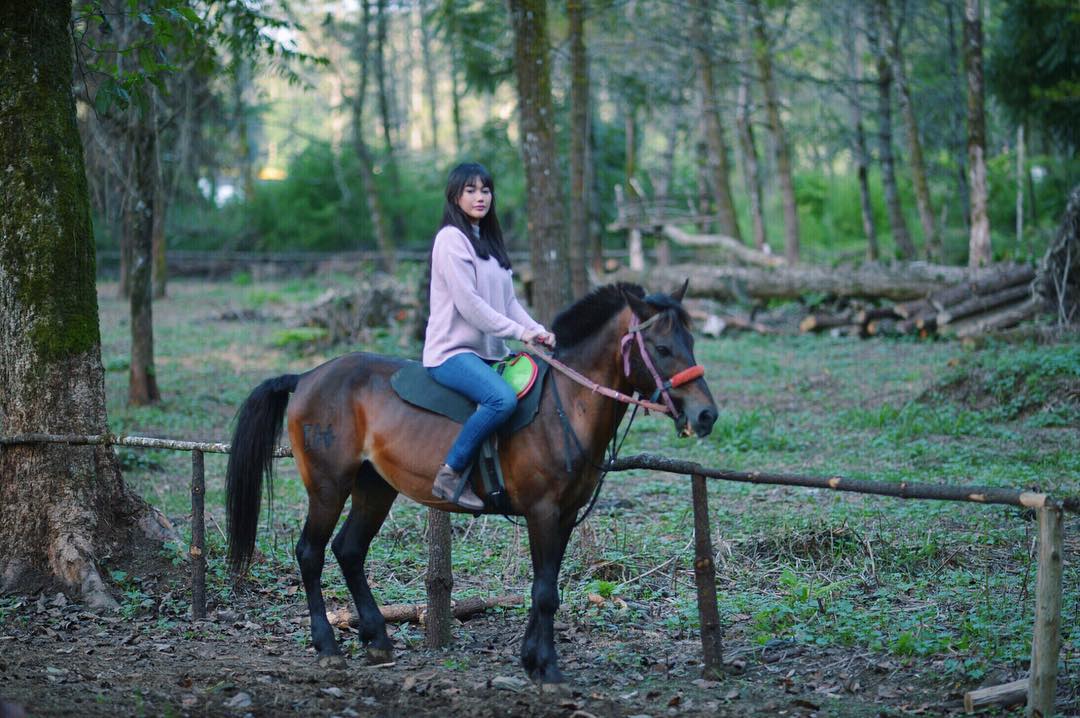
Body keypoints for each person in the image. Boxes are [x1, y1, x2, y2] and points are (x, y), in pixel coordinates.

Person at [423, 162, 555, 510]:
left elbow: (508, 301)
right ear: (455, 195)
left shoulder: (489, 240)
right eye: (471, 190)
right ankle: (451, 473)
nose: (480, 197)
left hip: (490, 353)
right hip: (452, 352)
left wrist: (537, 332)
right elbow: (470, 305)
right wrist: (518, 332)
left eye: (485, 190)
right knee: (501, 400)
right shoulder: (451, 239)